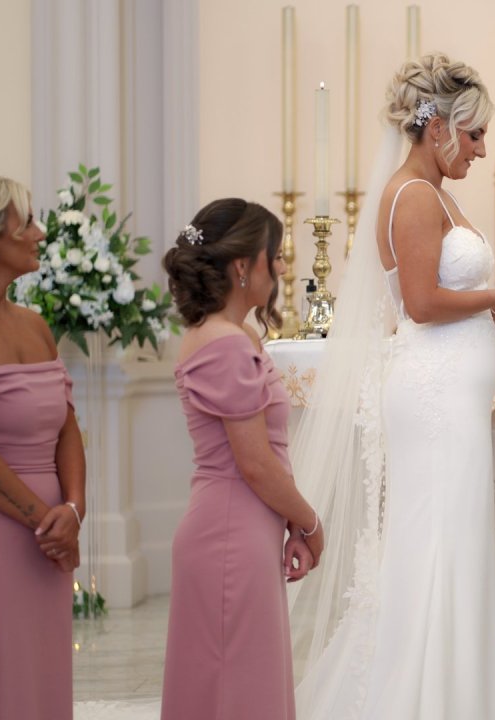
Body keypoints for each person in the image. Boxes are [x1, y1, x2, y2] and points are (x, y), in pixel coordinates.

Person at [289, 53, 495, 719]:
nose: (483, 149)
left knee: (449, 545)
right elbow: (424, 303)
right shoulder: (412, 195)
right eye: (475, 134)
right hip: (434, 399)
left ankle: (447, 696)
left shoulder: (428, 191)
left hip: (447, 396)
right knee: (435, 548)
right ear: (439, 130)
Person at [160, 198, 323, 720]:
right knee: (235, 693)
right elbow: (253, 463)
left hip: (242, 526)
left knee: (237, 686)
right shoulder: (226, 344)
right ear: (241, 267)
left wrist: (287, 524)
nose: (278, 268)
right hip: (231, 531)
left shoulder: (232, 335)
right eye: (271, 256)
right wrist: (310, 520)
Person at [0, 175, 84, 719]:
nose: (41, 232)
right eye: (25, 221)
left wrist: (73, 508)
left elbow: (67, 425)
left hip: (49, 536)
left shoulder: (34, 324)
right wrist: (48, 523)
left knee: (40, 676)